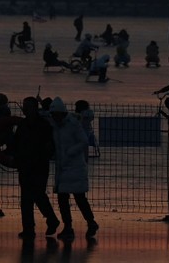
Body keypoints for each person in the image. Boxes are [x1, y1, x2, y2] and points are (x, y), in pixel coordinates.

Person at [48, 97, 98, 241]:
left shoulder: (73, 124)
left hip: (75, 166)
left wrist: (69, 152)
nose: (54, 117)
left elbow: (83, 141)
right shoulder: (55, 125)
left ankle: (90, 222)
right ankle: (69, 226)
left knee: (79, 198)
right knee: (63, 199)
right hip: (62, 167)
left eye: (55, 114)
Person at [12, 96, 59, 240]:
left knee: (38, 195)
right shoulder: (23, 125)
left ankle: (51, 219)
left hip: (39, 166)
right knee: (26, 198)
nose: (24, 109)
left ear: (34, 108)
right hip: (25, 166)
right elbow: (16, 143)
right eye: (24, 107)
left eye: (27, 107)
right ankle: (28, 229)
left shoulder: (44, 125)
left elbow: (50, 146)